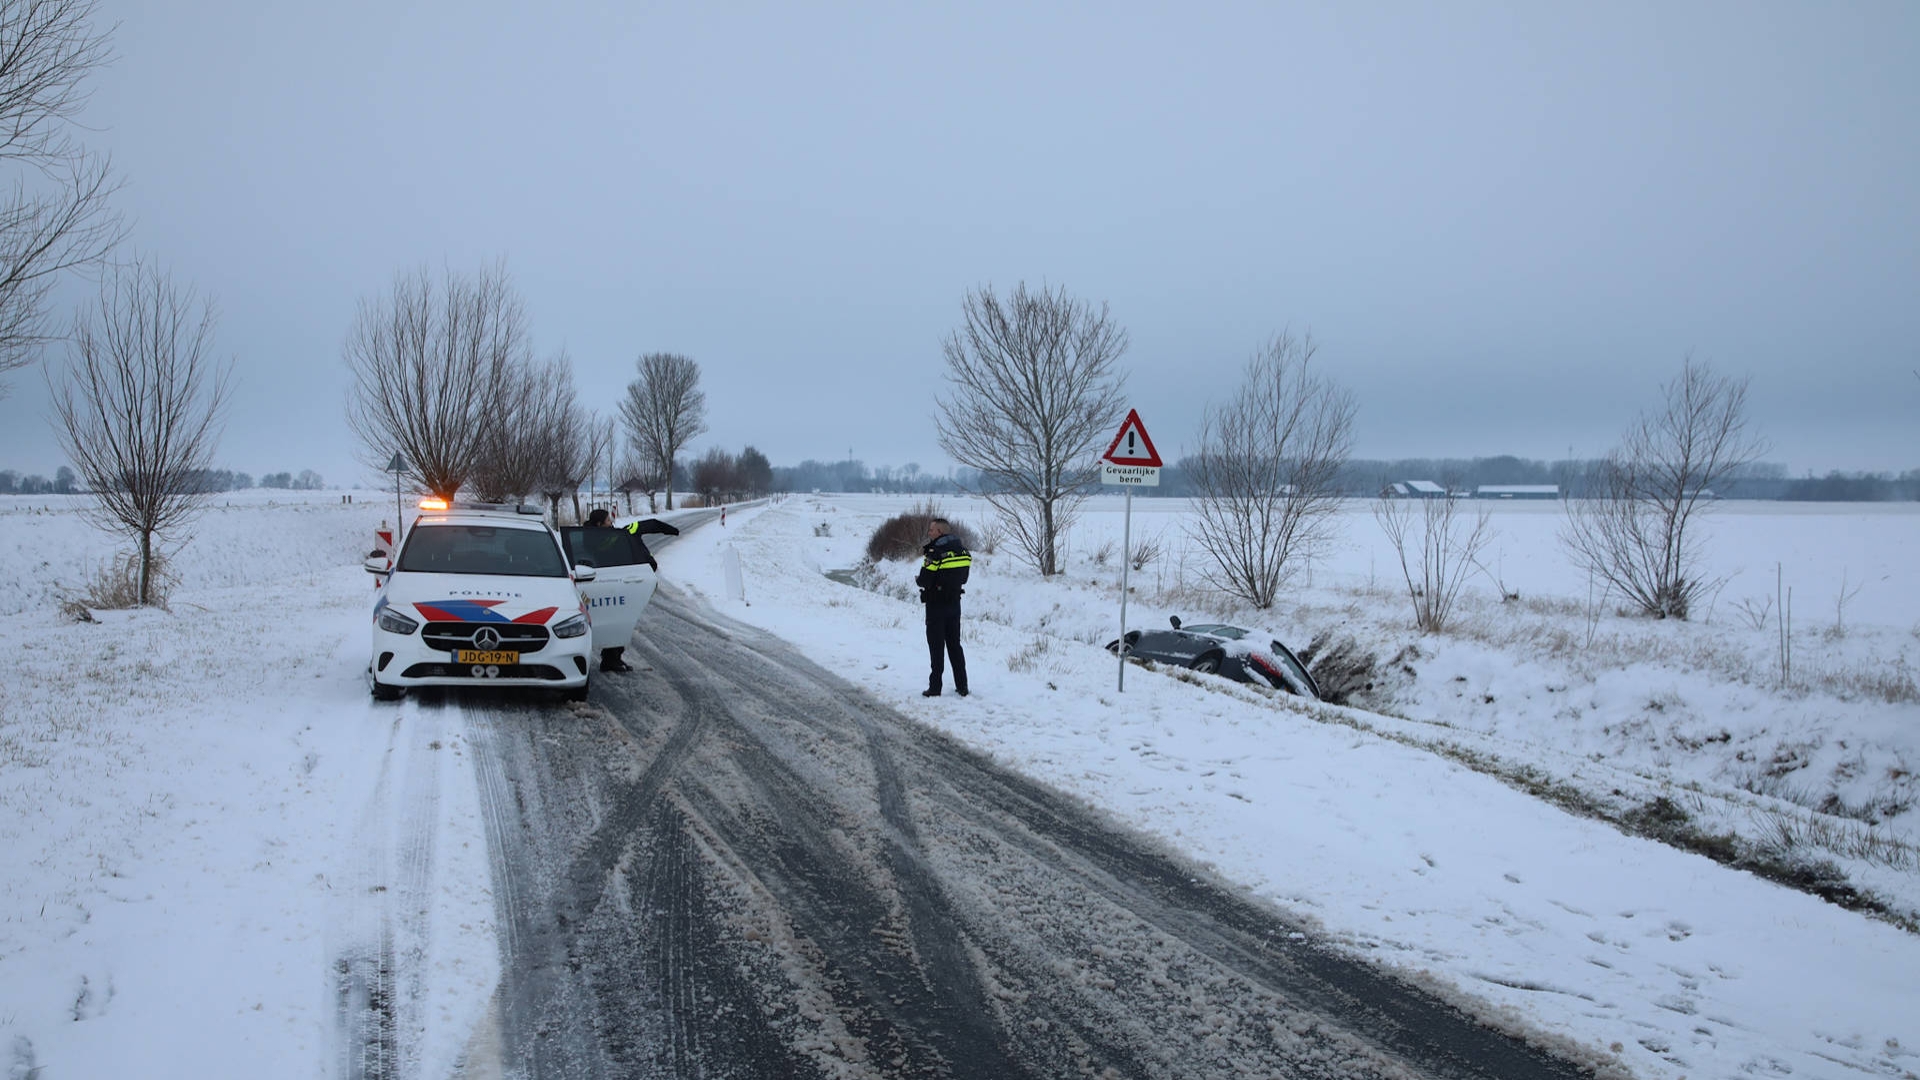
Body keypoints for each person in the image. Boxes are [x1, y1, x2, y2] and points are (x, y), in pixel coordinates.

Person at [915, 516, 971, 697]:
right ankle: (962, 686)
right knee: (955, 645)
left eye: (931, 530)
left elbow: (925, 579)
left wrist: (920, 581)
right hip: (955, 604)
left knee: (936, 646)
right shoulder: (963, 552)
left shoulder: (934, 551)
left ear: (939, 532)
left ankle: (935, 687)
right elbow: (963, 578)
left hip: (936, 605)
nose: (929, 532)